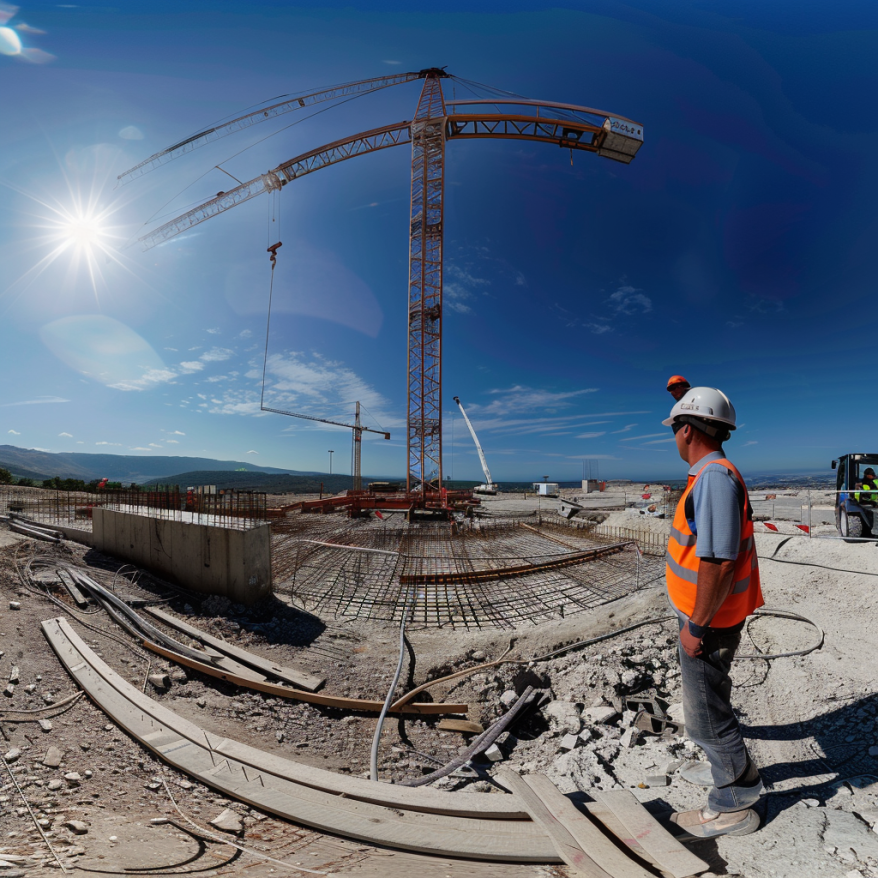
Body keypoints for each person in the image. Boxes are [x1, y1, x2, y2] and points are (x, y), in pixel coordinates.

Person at [662, 387, 765, 838]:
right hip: (705, 618)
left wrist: (696, 627)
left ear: (687, 431)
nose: (675, 439)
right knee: (709, 704)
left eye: (675, 431)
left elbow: (719, 561)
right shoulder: (708, 475)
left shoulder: (712, 479)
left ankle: (735, 801)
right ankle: (726, 770)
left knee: (706, 717)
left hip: (708, 624)